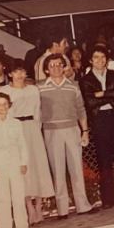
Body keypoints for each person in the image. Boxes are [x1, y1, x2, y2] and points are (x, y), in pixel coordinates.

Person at [40, 53, 94, 216]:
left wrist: (85, 131)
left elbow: (81, 109)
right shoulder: (39, 87)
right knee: (57, 170)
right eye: (52, 65)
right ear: (46, 70)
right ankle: (62, 209)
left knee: (76, 168)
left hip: (72, 130)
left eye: (59, 64)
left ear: (64, 67)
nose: (56, 68)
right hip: (51, 131)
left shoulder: (74, 86)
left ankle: (83, 206)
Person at [2, 60, 55, 224]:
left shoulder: (33, 90)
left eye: (22, 71)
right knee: (21, 169)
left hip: (32, 129)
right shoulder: (5, 91)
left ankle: (38, 206)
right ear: (10, 74)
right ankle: (29, 208)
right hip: (15, 130)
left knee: (38, 166)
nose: (19, 75)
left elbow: (37, 111)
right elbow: (5, 114)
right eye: (16, 72)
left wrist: (36, 129)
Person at [81, 44, 114, 208]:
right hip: (99, 120)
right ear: (90, 60)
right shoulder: (85, 80)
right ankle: (108, 199)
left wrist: (103, 94)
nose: (100, 60)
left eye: (103, 57)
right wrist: (112, 96)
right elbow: (90, 102)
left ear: (107, 59)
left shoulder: (113, 74)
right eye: (96, 57)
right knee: (103, 159)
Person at [0, 92, 32, 228]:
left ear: (9, 105)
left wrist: (23, 162)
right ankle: (4, 225)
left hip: (15, 160)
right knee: (2, 195)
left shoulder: (16, 123)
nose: (2, 107)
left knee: (18, 193)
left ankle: (22, 223)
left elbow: (22, 144)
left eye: (5, 104)